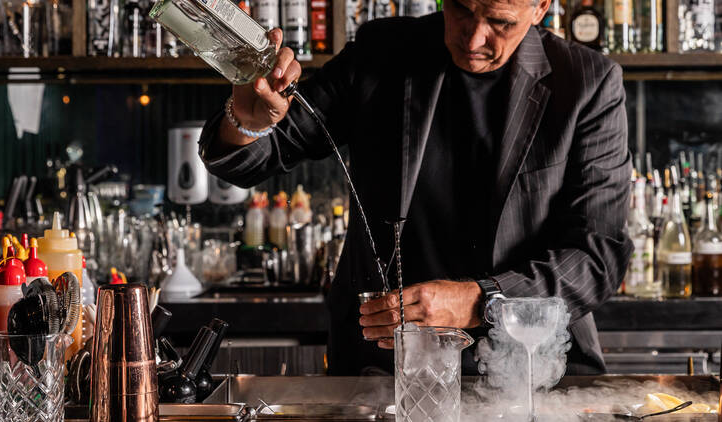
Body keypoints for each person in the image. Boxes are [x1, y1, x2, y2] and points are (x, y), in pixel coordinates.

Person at [199, 0, 632, 375]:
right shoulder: (382, 52)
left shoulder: (587, 83)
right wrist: (248, 122)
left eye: (500, 22)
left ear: (540, 8)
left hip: (537, 369)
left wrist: (481, 301)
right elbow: (260, 153)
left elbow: (599, 255)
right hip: (383, 365)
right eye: (461, 9)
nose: (474, 37)